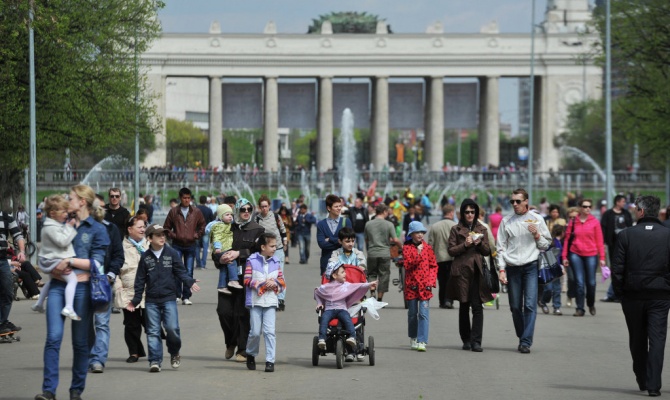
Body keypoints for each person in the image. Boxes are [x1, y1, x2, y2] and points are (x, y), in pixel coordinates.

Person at [35, 184, 110, 400]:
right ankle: (48, 391)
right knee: (53, 338)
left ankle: (76, 390)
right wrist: (52, 266)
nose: (67, 201)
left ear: (82, 202)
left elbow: (96, 263)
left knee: (80, 343)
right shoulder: (59, 224)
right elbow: (46, 252)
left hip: (83, 290)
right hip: (58, 287)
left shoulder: (97, 229)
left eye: (71, 198)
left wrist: (68, 261)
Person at [612, 195, 670, 397]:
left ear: (642, 212)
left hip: (633, 294)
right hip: (660, 295)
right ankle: (654, 384)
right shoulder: (667, 235)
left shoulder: (626, 235)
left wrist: (620, 292)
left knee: (637, 339)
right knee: (657, 339)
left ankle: (642, 378)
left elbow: (617, 268)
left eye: (636, 208)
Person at [126, 223, 201, 373]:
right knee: (153, 331)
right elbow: (140, 280)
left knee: (172, 329)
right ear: (149, 238)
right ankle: (155, 361)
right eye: (158, 235)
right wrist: (135, 300)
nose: (162, 237)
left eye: (163, 234)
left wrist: (189, 282)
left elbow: (181, 271)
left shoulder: (172, 253)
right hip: (152, 300)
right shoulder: (145, 257)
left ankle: (174, 352)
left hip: (169, 298)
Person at [496, 188, 551, 354]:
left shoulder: (536, 219)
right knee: (514, 306)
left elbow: (546, 244)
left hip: (530, 266)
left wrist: (536, 236)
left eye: (518, 201)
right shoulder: (507, 221)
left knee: (529, 304)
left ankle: (525, 341)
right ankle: (522, 334)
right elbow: (500, 248)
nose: (514, 204)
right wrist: (501, 269)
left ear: (526, 201)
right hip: (512, 267)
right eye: (512, 201)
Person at [215, 199, 265, 363]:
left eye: (249, 209)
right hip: (227, 277)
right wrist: (219, 258)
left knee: (242, 314)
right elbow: (215, 247)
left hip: (247, 277)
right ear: (236, 210)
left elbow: (260, 252)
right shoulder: (227, 227)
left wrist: (240, 253)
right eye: (242, 209)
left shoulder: (258, 230)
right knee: (223, 312)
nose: (246, 212)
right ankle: (231, 342)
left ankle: (242, 349)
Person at [447, 199, 492, 352]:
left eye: (472, 212)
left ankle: (476, 341)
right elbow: (451, 250)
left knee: (478, 307)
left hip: (477, 271)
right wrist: (465, 245)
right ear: (462, 213)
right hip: (462, 272)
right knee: (464, 305)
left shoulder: (482, 228)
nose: (470, 215)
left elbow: (487, 251)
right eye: (467, 212)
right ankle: (466, 339)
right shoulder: (455, 229)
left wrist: (479, 243)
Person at [32, 195, 80, 320]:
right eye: (63, 211)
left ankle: (39, 303)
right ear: (52, 213)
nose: (66, 214)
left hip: (50, 258)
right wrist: (70, 227)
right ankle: (69, 307)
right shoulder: (50, 227)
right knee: (72, 280)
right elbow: (62, 241)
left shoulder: (53, 225)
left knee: (52, 281)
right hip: (53, 259)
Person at [244, 233, 286, 373]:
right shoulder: (252, 260)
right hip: (256, 302)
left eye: (275, 246)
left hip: (270, 302)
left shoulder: (276, 262)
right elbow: (247, 280)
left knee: (270, 332)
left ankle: (270, 361)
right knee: (255, 332)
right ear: (263, 247)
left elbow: (282, 282)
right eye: (272, 246)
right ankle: (250, 353)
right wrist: (262, 284)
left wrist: (273, 283)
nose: (274, 248)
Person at [314, 260, 377, 352]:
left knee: (348, 320)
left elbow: (358, 286)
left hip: (342, 309)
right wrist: (319, 303)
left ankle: (352, 337)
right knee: (324, 320)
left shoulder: (346, 285)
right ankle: (322, 339)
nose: (345, 274)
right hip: (329, 309)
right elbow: (317, 292)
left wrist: (369, 284)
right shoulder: (325, 287)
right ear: (334, 276)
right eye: (342, 272)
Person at [561, 198, 606, 317]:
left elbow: (600, 241)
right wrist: (564, 256)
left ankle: (590, 303)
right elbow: (567, 240)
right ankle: (580, 308)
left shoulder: (595, 222)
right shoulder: (573, 222)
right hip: (575, 253)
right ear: (580, 208)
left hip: (591, 254)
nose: (587, 208)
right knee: (579, 282)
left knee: (591, 283)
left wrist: (602, 257)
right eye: (585, 206)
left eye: (589, 206)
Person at [114, 216, 149, 363]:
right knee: (131, 324)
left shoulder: (150, 245)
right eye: (139, 227)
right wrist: (118, 289)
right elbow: (115, 270)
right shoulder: (120, 247)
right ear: (129, 229)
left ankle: (155, 350)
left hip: (149, 291)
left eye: (143, 227)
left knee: (150, 322)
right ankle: (134, 352)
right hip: (128, 291)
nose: (142, 229)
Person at [163, 187, 205, 305]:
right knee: (176, 270)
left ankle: (186, 296)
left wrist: (196, 235)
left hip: (191, 245)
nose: (186, 200)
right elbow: (166, 227)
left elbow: (203, 226)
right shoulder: (174, 211)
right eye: (184, 198)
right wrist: (174, 235)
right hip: (177, 244)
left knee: (189, 271)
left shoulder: (196, 212)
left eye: (188, 198)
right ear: (180, 198)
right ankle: (177, 294)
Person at [403, 221, 438, 352]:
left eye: (422, 232)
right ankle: (413, 337)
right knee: (412, 314)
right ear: (411, 234)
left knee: (424, 314)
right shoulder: (407, 247)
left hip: (425, 287)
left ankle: (422, 340)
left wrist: (431, 281)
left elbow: (434, 265)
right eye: (417, 232)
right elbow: (407, 265)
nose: (420, 235)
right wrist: (417, 254)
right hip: (411, 286)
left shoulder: (428, 248)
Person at [364, 203, 400, 302]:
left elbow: (366, 239)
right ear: (384, 212)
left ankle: (372, 292)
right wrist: (402, 247)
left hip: (372, 253)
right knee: (384, 275)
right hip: (384, 253)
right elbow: (395, 240)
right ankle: (379, 298)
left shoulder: (368, 224)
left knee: (371, 273)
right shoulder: (389, 224)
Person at [600, 194, 633, 303]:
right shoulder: (608, 214)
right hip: (613, 245)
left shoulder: (626, 214)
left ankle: (616, 293)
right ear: (617, 202)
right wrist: (604, 242)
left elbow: (631, 227)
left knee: (624, 267)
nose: (624, 203)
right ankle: (614, 293)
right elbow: (603, 228)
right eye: (623, 201)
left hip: (626, 245)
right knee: (615, 268)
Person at [0, 208, 26, 335]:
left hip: (3, 260)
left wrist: (21, 250)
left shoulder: (6, 216)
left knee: (7, 292)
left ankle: (3, 322)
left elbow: (17, 234)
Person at [427, 205, 457, 309]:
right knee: (451, 280)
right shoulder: (456, 225)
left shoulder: (435, 226)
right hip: (453, 258)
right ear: (451, 213)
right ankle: (449, 300)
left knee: (442, 281)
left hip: (439, 258)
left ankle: (441, 301)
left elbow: (430, 245)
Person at [317, 194, 352, 276]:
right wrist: (340, 242)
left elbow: (349, 242)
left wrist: (330, 239)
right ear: (329, 208)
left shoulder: (346, 222)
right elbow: (322, 244)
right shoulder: (321, 224)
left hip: (344, 262)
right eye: (336, 206)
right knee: (327, 287)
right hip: (327, 263)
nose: (339, 208)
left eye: (340, 206)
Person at [210, 204, 242, 294]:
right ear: (221, 216)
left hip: (224, 248)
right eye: (227, 215)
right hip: (221, 248)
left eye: (231, 215)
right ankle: (233, 280)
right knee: (231, 261)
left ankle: (222, 285)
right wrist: (217, 247)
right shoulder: (219, 226)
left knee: (224, 266)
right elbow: (217, 236)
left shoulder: (227, 224)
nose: (230, 217)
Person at [539, 224, 565, 316]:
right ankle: (543, 302)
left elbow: (561, 256)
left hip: (556, 267)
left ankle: (556, 307)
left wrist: (561, 265)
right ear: (562, 232)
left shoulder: (561, 242)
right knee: (548, 289)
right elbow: (548, 255)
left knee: (557, 289)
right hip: (549, 268)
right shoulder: (552, 242)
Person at [196, 195, 215, 270]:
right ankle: (203, 264)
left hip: (196, 230)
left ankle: (198, 264)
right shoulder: (208, 210)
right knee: (205, 247)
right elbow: (212, 220)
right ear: (206, 201)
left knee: (197, 247)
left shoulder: (195, 209)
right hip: (205, 229)